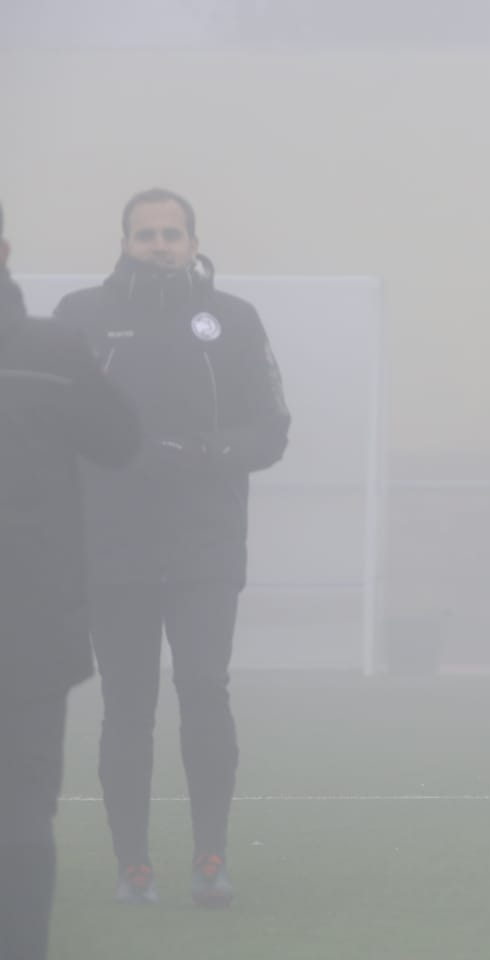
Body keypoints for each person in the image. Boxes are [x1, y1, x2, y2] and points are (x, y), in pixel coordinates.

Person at [52, 189, 291, 907]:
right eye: (146, 233)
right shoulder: (81, 317)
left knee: (203, 687)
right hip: (113, 546)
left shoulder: (236, 320)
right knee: (128, 706)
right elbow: (54, 423)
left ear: (193, 242)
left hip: (204, 545)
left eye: (172, 233)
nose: (159, 244)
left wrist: (212, 451)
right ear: (124, 240)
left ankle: (210, 858)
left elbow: (272, 428)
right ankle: (135, 868)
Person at [0, 203, 141, 959]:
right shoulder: (53, 350)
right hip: (28, 626)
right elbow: (121, 441)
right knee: (22, 809)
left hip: (29, 624)